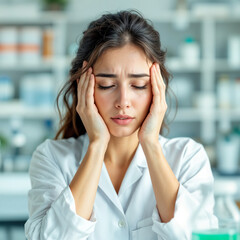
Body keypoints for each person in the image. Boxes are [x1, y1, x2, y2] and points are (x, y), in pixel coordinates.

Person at [25, 10, 218, 240]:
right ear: (84, 88)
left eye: (138, 85)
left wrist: (151, 145)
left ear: (158, 89)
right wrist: (97, 145)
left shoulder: (187, 158)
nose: (123, 102)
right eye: (106, 85)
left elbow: (199, 236)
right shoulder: (52, 159)